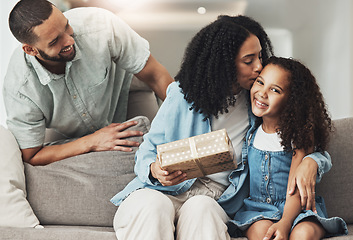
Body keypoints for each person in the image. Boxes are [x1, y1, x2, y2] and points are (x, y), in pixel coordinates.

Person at [110, 15, 332, 240]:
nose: (259, 67)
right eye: (248, 60)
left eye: (260, 56)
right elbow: (147, 150)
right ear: (225, 63)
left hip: (215, 197)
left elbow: (301, 134)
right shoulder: (181, 95)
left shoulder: (259, 102)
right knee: (152, 206)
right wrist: (154, 171)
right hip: (163, 191)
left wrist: (312, 161)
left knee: (201, 210)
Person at [3, 0, 174, 166]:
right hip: (64, 129)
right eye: (55, 41)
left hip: (125, 93)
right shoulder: (20, 89)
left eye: (66, 26)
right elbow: (31, 155)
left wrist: (187, 119)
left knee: (158, 151)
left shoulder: (101, 26)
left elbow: (155, 75)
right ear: (30, 50)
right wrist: (91, 142)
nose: (69, 40)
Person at [227, 56, 348, 239]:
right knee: (262, 233)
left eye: (275, 90)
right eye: (260, 82)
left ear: (292, 101)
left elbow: (295, 187)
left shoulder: (299, 136)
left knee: (303, 233)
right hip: (258, 210)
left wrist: (285, 222)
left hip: (297, 210)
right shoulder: (250, 132)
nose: (262, 93)